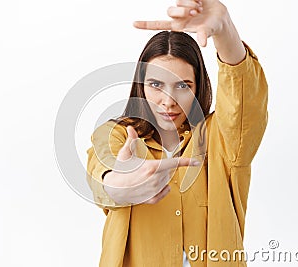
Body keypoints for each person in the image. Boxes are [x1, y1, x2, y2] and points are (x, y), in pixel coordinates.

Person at [86, 0, 268, 266]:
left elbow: (245, 102)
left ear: (198, 88)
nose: (168, 100)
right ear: (141, 86)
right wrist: (125, 185)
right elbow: (103, 177)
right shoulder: (115, 134)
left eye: (183, 85)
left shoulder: (220, 138)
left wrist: (225, 29)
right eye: (156, 84)